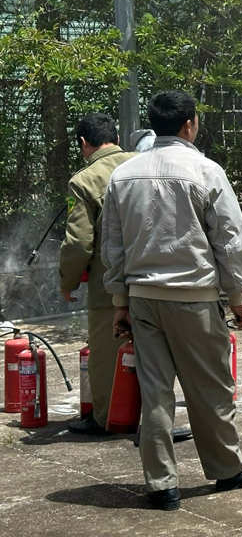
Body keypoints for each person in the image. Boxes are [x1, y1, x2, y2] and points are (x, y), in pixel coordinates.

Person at [102, 90, 242, 511]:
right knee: (212, 388)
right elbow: (230, 240)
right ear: (189, 125)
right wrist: (236, 296)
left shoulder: (123, 175)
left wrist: (119, 302)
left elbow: (113, 245)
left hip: (143, 299)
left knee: (156, 392)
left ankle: (162, 486)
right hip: (194, 298)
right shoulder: (206, 171)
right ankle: (227, 469)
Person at [59, 113, 134, 435]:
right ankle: (154, 418)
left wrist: (68, 282)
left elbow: (79, 242)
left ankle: (108, 419)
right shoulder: (143, 165)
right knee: (154, 354)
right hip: (158, 281)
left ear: (83, 143)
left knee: (108, 355)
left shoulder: (85, 181)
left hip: (110, 287)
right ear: (116, 138)